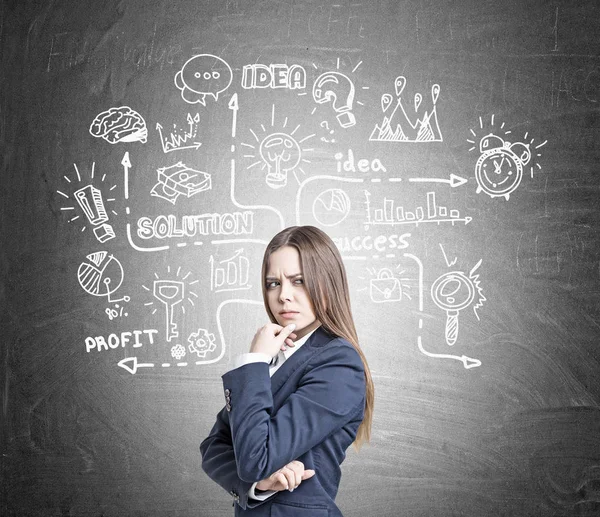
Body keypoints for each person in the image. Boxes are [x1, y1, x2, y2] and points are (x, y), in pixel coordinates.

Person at [200, 225, 375, 516]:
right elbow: (214, 447)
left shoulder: (339, 363)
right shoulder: (277, 355)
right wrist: (260, 485)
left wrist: (253, 362)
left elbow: (255, 458)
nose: (283, 296)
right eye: (273, 283)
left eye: (299, 281)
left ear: (327, 283)